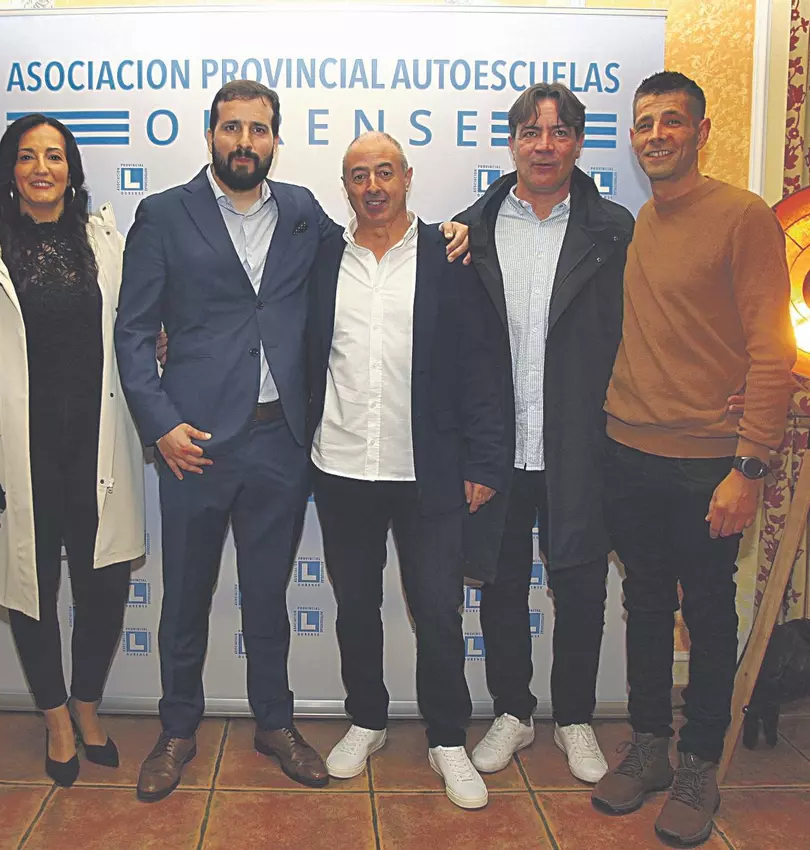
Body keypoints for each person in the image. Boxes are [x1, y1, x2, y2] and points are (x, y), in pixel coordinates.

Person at [116, 81, 470, 802]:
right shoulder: (163, 214)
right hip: (194, 445)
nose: (244, 142)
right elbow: (132, 331)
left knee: (267, 597)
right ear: (210, 135)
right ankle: (177, 728)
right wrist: (160, 424)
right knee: (184, 598)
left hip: (280, 442)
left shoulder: (305, 212)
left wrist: (462, 228)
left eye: (258, 129)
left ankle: (274, 723)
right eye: (231, 128)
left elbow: (384, 229)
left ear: (276, 139)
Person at [591, 71, 795, 847]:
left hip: (708, 464)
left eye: (672, 121)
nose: (657, 135)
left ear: (701, 132)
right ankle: (650, 747)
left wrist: (749, 466)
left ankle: (700, 764)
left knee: (707, 612)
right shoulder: (640, 221)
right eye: (645, 123)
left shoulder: (743, 217)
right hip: (627, 450)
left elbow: (773, 350)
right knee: (645, 605)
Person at [308, 132, 506, 809]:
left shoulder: (449, 255)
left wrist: (484, 459)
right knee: (356, 608)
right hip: (341, 466)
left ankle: (447, 738)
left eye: (385, 172)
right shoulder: (322, 258)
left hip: (431, 471)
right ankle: (366, 720)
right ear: (346, 186)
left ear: (407, 177)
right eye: (359, 175)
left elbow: (481, 365)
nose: (374, 186)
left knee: (439, 613)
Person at [455, 83, 633, 784]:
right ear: (513, 143)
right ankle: (512, 711)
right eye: (531, 132)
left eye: (559, 132)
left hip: (580, 444)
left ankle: (577, 718)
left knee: (581, 585)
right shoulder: (470, 230)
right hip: (498, 448)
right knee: (499, 586)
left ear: (579, 142)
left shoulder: (614, 230)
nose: (545, 146)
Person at [0, 114, 146, 786]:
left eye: (55, 156)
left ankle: (87, 704)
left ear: (72, 170)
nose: (42, 168)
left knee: (105, 586)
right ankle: (56, 719)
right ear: (9, 171)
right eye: (28, 156)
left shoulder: (105, 244)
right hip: (20, 457)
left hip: (98, 448)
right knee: (30, 590)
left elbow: (135, 328)